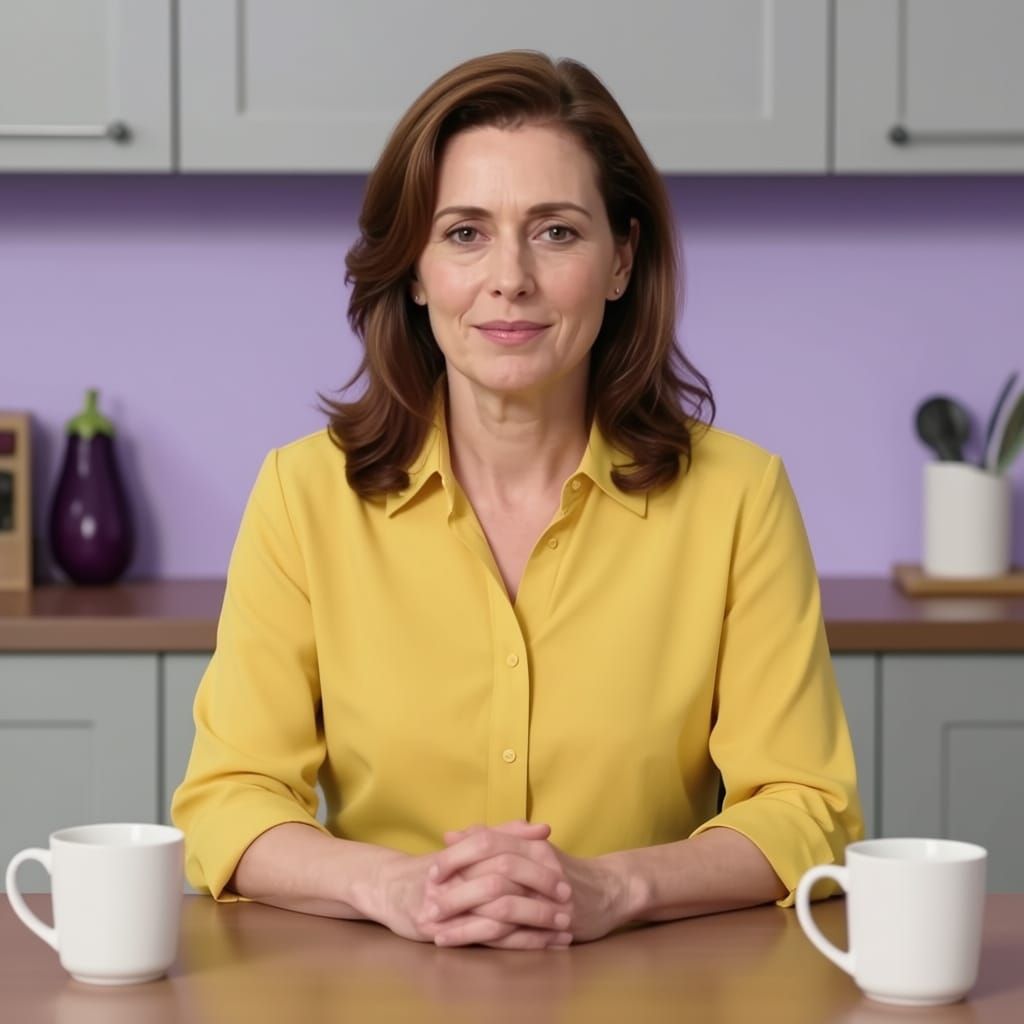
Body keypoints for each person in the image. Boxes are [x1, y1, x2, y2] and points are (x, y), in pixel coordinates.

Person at [171, 50, 862, 950]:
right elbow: (227, 800)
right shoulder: (303, 497)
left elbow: (808, 806)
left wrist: (616, 888)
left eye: (556, 232)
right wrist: (392, 887)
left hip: (650, 990)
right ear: (414, 271)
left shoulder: (740, 497)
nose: (510, 279)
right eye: (464, 233)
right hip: (376, 988)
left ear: (621, 260)